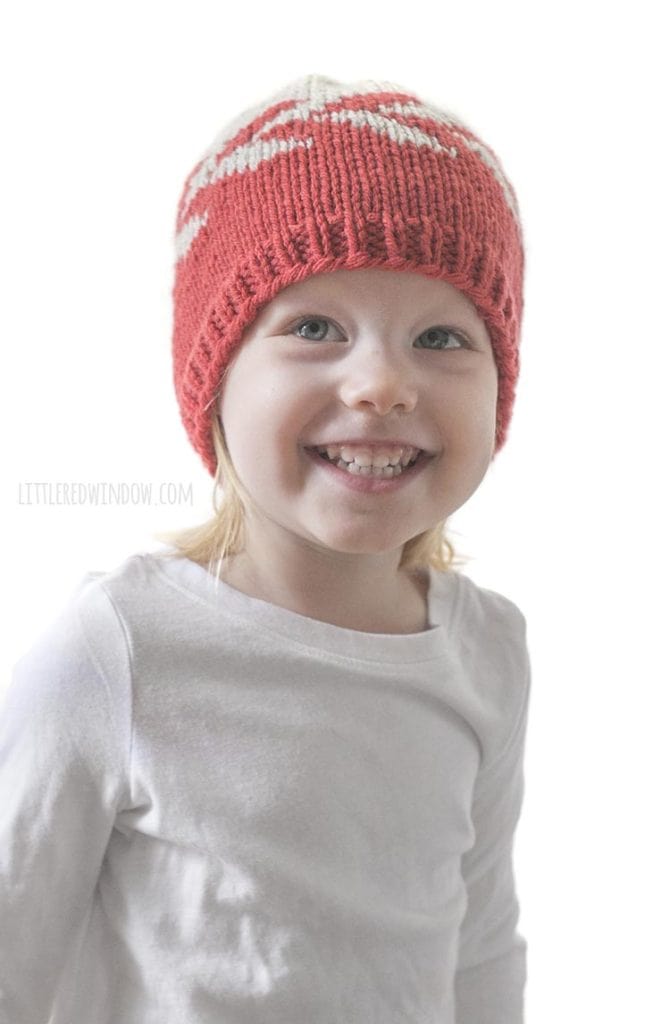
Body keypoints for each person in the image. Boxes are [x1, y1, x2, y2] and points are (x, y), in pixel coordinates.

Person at [0, 74, 532, 1024]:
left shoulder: (485, 652)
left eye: (444, 335)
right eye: (313, 327)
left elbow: (481, 943)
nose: (381, 383)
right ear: (214, 380)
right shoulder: (121, 649)